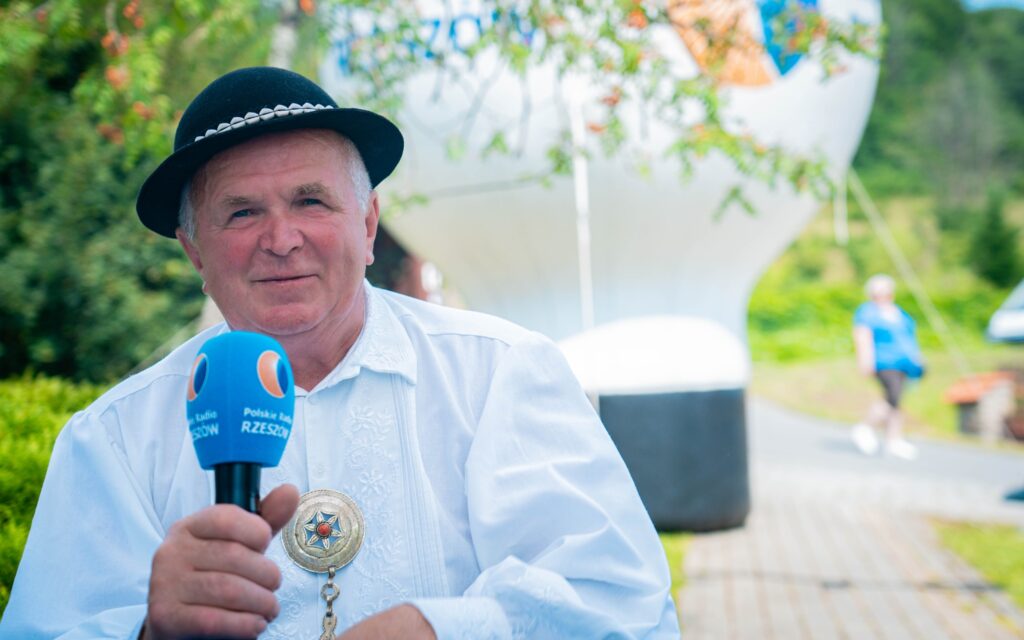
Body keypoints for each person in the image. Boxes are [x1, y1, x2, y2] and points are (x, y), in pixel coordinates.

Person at [0, 67, 679, 639]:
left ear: (369, 223)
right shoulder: (114, 438)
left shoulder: (499, 374)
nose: (281, 239)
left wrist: (435, 628)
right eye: (241, 212)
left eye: (310, 201)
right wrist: (153, 634)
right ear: (194, 251)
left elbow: (621, 604)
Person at [851, 274, 924, 460]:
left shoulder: (899, 312)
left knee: (897, 400)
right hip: (884, 361)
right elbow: (862, 335)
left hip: (904, 363)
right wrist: (865, 360)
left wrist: (917, 357)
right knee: (892, 396)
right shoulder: (868, 312)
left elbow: (909, 336)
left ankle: (894, 439)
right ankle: (866, 426)